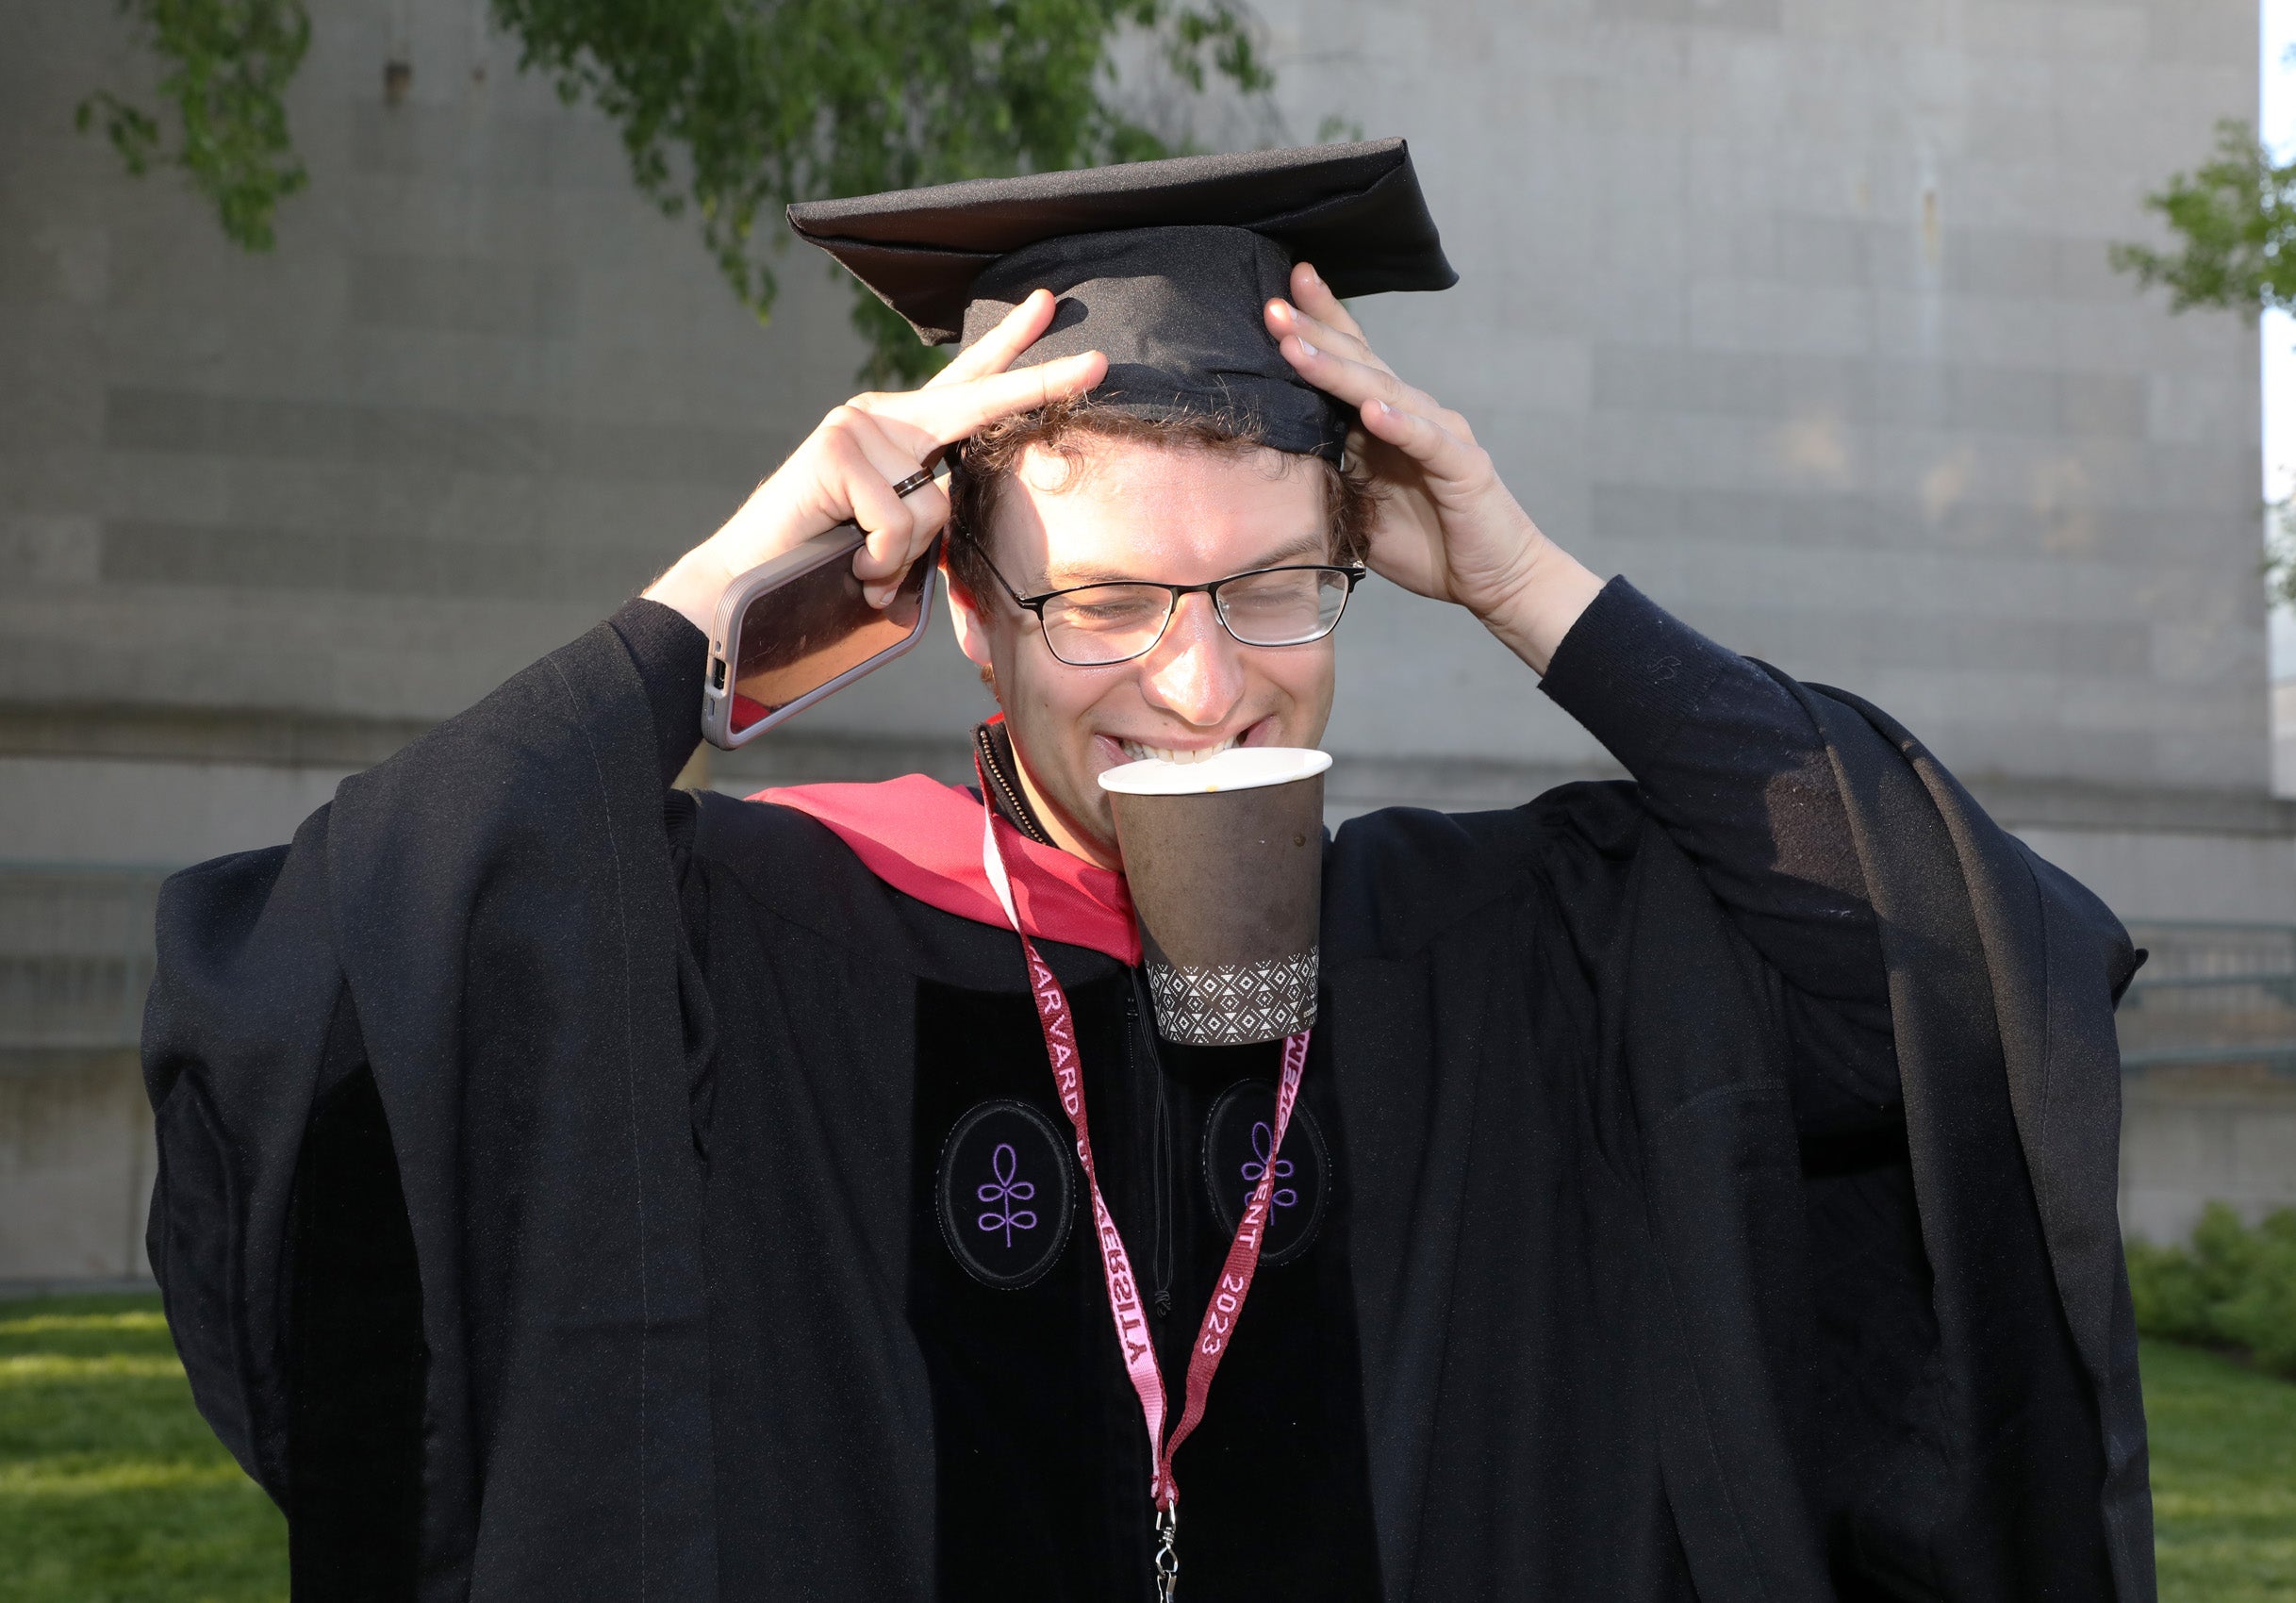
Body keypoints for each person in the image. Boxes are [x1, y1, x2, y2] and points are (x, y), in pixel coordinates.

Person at [142, 141, 2154, 1602]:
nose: (1199, 683)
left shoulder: (1496, 955)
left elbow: (1933, 961)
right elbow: (333, 997)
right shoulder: (772, 944)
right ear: (963, 615)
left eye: (1279, 586)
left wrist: (1541, 593)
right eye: (1101, 603)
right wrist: (717, 610)